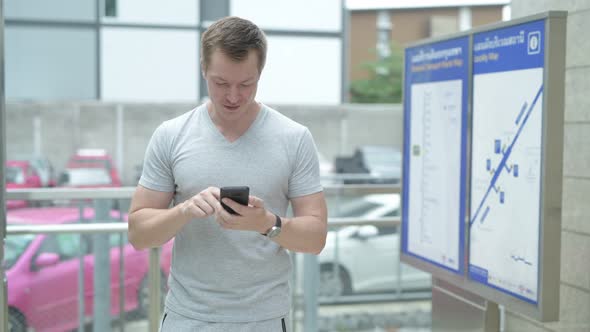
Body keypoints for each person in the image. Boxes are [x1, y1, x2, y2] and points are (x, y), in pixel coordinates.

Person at [128, 16, 328, 332]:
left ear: (260, 74)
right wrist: (185, 210)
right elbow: (138, 233)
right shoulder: (171, 135)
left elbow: (316, 237)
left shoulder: (294, 138)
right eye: (221, 83)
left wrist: (267, 224)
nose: (233, 96)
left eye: (246, 84)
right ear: (204, 70)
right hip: (187, 319)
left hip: (264, 320)